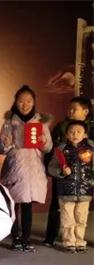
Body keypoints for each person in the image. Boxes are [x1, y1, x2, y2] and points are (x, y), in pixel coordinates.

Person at [0, 85, 53, 251]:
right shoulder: (9, 123)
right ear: (15, 102)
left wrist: (44, 141)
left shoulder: (41, 123)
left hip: (33, 169)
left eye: (29, 101)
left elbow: (48, 148)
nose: (25, 104)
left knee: (28, 204)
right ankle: (15, 238)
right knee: (13, 205)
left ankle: (26, 239)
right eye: (21, 101)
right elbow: (1, 149)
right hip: (15, 167)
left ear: (34, 102)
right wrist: (6, 144)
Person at [43, 96, 92, 247]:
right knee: (58, 207)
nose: (70, 111)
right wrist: (54, 170)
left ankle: (79, 239)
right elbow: (52, 150)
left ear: (85, 111)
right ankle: (51, 237)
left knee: (82, 213)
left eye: (74, 109)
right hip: (64, 176)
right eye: (69, 108)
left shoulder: (91, 129)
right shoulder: (60, 127)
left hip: (85, 179)